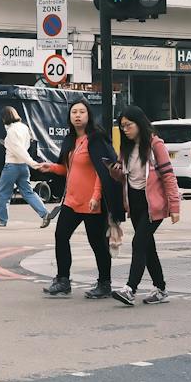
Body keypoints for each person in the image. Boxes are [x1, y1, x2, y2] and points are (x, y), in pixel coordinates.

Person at [34, 99, 124, 298]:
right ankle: (63, 280)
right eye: (74, 112)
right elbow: (69, 169)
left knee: (97, 243)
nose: (77, 115)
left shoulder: (97, 139)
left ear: (88, 115)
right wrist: (52, 167)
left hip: (92, 202)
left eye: (82, 112)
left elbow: (103, 171)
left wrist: (95, 197)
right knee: (61, 236)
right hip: (72, 201)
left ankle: (104, 283)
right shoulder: (70, 140)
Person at [113, 106, 181, 305]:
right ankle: (160, 289)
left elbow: (168, 175)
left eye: (129, 125)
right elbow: (122, 176)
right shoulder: (126, 147)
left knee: (138, 242)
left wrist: (175, 206)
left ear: (140, 123)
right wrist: (115, 170)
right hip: (134, 203)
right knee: (147, 246)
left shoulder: (154, 144)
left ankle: (130, 289)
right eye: (122, 126)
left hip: (153, 204)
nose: (125, 129)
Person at [0, 106, 55, 229]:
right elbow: (24, 146)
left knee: (3, 193)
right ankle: (44, 213)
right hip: (23, 166)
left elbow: (17, 149)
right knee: (28, 192)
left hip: (11, 165)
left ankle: (2, 220)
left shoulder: (11, 131)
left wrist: (32, 163)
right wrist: (29, 162)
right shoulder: (24, 127)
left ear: (5, 117)